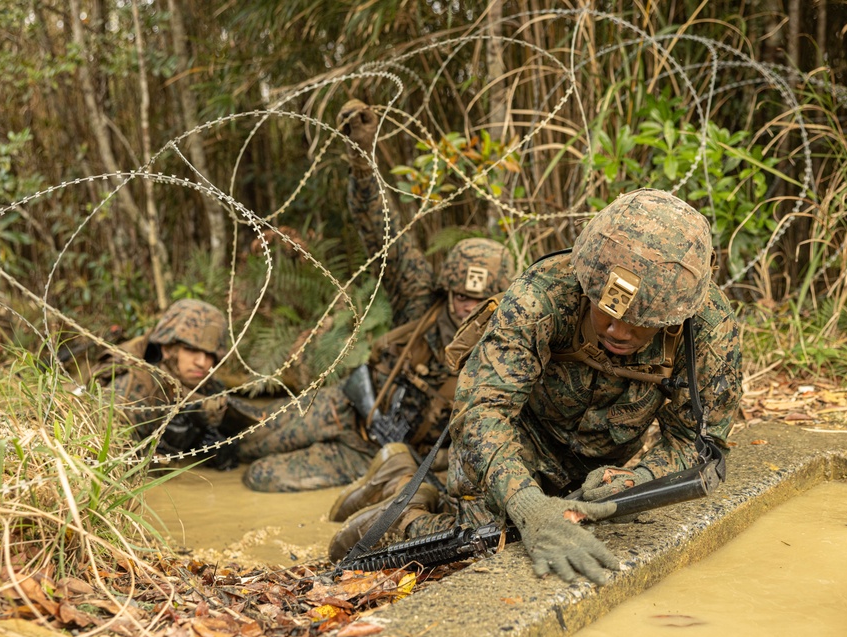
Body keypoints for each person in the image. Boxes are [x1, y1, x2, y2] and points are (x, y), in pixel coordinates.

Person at [327, 188, 744, 585]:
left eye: (640, 323)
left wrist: (633, 480)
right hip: (515, 443)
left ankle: (420, 482)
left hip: (599, 469)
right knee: (486, 542)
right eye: (607, 311)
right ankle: (401, 506)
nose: (617, 330)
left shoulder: (706, 329)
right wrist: (528, 505)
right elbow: (480, 412)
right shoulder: (542, 295)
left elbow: (698, 444)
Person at [239, 99, 517, 493]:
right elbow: (382, 235)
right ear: (447, 288)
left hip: (373, 457)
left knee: (261, 477)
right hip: (347, 404)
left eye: (480, 301)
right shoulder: (421, 300)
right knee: (245, 441)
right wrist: (361, 160)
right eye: (459, 294)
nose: (466, 306)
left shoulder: (507, 352)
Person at [95, 298, 257, 467]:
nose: (202, 362)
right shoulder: (133, 387)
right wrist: (162, 454)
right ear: (167, 349)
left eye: (209, 354)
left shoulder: (206, 385)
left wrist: (219, 451)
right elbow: (110, 461)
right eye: (191, 349)